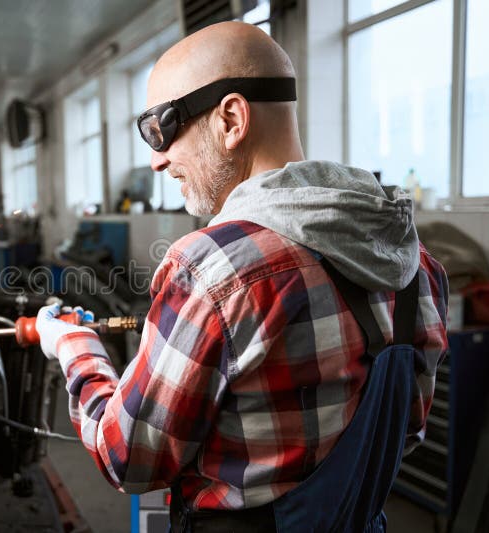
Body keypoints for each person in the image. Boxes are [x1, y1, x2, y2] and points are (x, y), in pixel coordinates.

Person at [36, 21, 448, 532]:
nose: (158, 159)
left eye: (162, 128)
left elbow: (129, 458)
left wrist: (75, 348)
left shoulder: (213, 267)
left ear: (231, 119)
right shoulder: (417, 265)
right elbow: (403, 432)